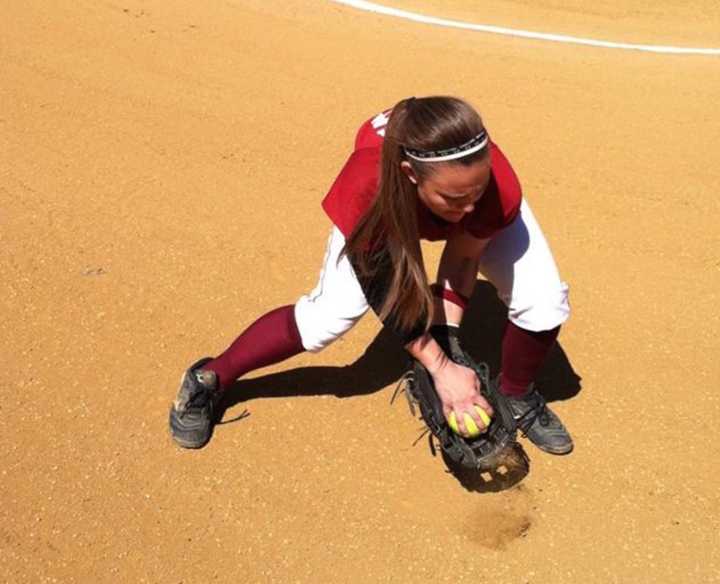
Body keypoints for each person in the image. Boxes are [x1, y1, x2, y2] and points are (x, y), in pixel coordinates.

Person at [169, 96, 573, 455]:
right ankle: (211, 376)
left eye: (477, 192)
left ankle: (517, 395)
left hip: (439, 190)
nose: (469, 207)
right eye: (454, 198)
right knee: (326, 320)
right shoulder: (368, 189)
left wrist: (445, 342)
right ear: (410, 175)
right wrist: (440, 368)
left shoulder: (494, 188)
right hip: (386, 208)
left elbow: (463, 259)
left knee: (544, 301)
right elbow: (384, 291)